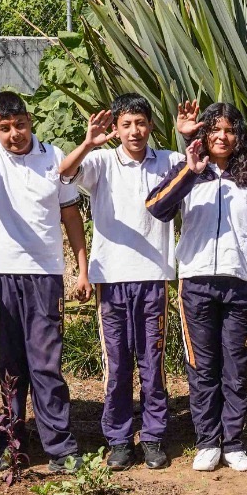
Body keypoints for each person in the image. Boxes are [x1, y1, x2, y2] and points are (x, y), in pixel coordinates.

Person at [0, 91, 88, 473]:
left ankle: (60, 447)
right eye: (5, 128)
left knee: (46, 361)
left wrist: (81, 266)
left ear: (31, 121)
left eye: (20, 125)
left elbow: (69, 213)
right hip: (3, 272)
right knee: (11, 361)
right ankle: (12, 442)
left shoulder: (54, 155)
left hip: (45, 274)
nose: (15, 134)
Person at [146, 103, 247, 472]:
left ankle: (233, 442)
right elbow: (157, 207)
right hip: (197, 280)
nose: (222, 137)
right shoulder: (189, 171)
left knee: (237, 366)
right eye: (215, 130)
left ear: (239, 136)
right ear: (203, 135)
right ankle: (206, 442)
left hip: (242, 281)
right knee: (203, 366)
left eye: (230, 131)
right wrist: (189, 170)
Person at [58, 93, 181, 470]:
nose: (134, 130)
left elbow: (200, 164)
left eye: (141, 123)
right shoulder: (100, 161)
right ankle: (119, 439)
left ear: (151, 126)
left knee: (152, 361)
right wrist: (87, 142)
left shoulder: (168, 161)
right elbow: (63, 172)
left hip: (153, 277)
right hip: (111, 279)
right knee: (117, 363)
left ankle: (155, 436)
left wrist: (189, 134)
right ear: (116, 128)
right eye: (126, 124)